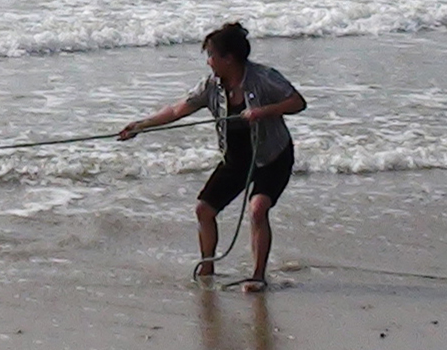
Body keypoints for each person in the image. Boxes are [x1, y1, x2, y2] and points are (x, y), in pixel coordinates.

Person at [118, 22, 306, 292]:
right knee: (204, 210)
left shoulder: (264, 77)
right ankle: (207, 268)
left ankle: (257, 276)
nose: (208, 62)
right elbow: (175, 110)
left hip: (272, 156)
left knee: (258, 208)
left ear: (228, 58)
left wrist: (263, 111)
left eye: (211, 55)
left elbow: (297, 102)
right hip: (236, 158)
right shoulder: (212, 85)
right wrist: (139, 125)